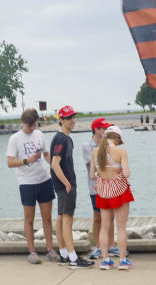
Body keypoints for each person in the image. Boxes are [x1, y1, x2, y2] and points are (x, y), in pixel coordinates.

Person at [5, 108, 56, 264]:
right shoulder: (15, 139)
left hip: (44, 179)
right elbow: (10, 162)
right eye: (30, 126)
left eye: (35, 125)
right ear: (23, 123)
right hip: (27, 183)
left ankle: (50, 250)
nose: (33, 128)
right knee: (29, 219)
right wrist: (26, 160)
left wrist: (54, 166)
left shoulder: (40, 134)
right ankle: (32, 252)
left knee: (47, 218)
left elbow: (46, 154)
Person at [50, 105, 94, 269]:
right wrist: (67, 183)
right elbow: (55, 164)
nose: (73, 120)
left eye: (73, 117)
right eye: (69, 118)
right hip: (66, 186)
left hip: (63, 185)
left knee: (61, 219)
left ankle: (64, 254)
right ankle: (74, 258)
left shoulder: (66, 138)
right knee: (67, 220)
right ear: (61, 120)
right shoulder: (61, 138)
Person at [90, 125, 134, 270]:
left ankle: (106, 260)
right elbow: (126, 173)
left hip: (103, 192)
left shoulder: (95, 152)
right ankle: (122, 260)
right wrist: (117, 170)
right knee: (121, 228)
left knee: (104, 227)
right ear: (116, 138)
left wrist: (104, 173)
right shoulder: (120, 151)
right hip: (119, 191)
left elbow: (92, 176)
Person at [83, 118, 116, 260]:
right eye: (104, 128)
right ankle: (98, 246)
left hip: (110, 185)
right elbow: (97, 165)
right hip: (96, 187)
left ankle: (111, 246)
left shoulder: (110, 143)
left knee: (111, 216)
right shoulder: (87, 146)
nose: (106, 131)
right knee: (98, 217)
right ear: (96, 130)